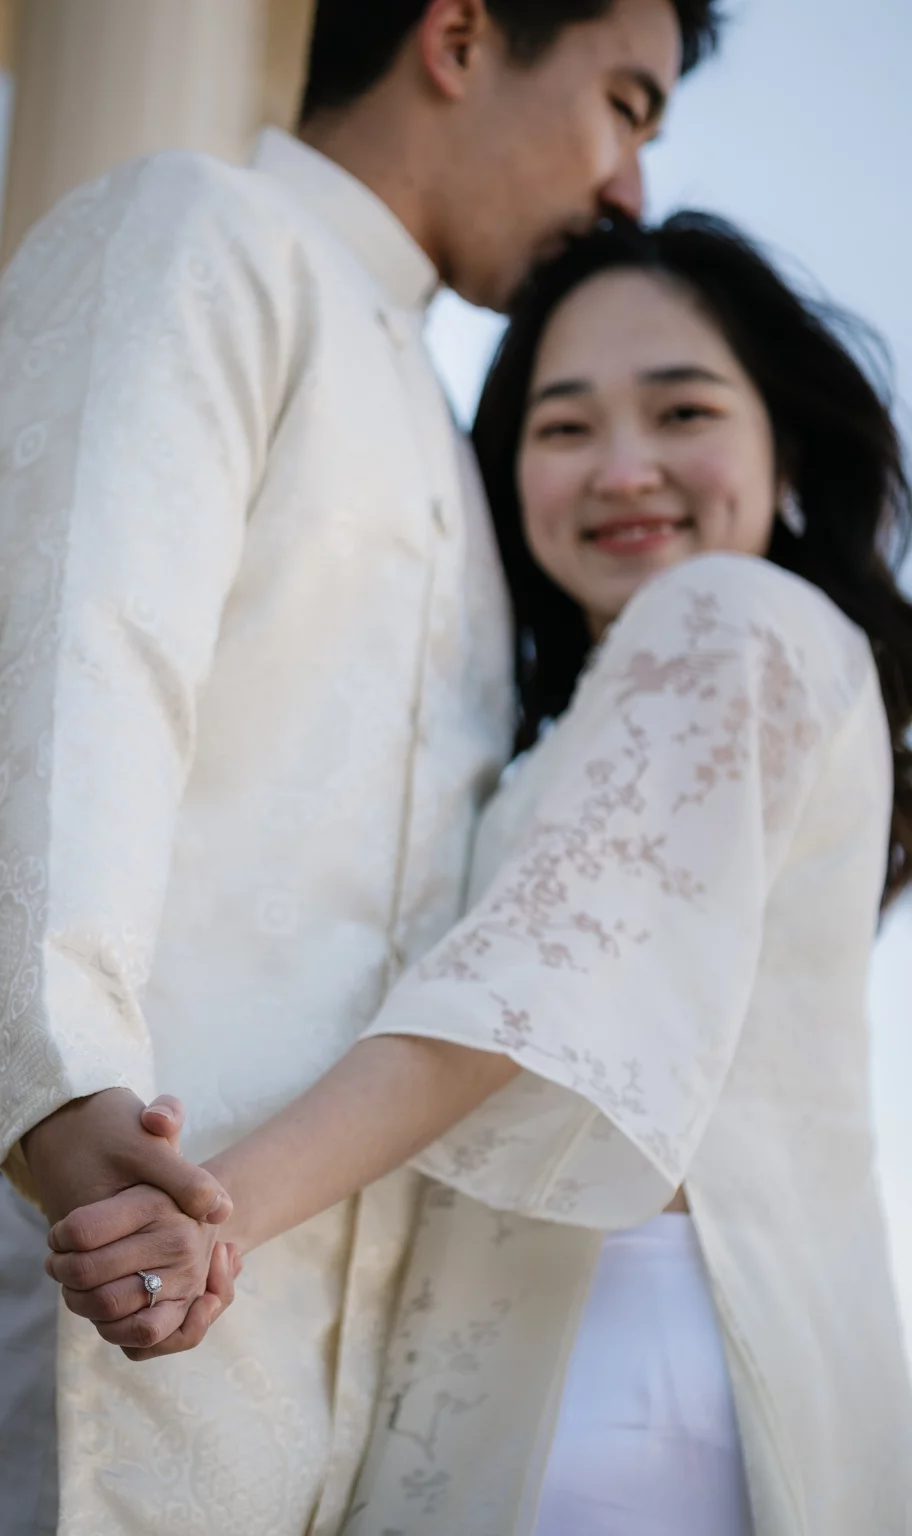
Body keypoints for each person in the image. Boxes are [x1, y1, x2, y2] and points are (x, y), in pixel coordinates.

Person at [0, 2, 721, 1533]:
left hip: (287, 1343)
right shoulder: (201, 229)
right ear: (459, 37)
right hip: (78, 1238)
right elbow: (100, 647)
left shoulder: (459, 455)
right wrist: (74, 1083)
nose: (630, 188)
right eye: (623, 103)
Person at [52, 213, 912, 1534]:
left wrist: (216, 1221)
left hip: (630, 1361)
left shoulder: (728, 616)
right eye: (564, 428)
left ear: (786, 448)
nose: (623, 468)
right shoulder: (632, 697)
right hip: (612, 1350)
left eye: (682, 410)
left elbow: (515, 994)